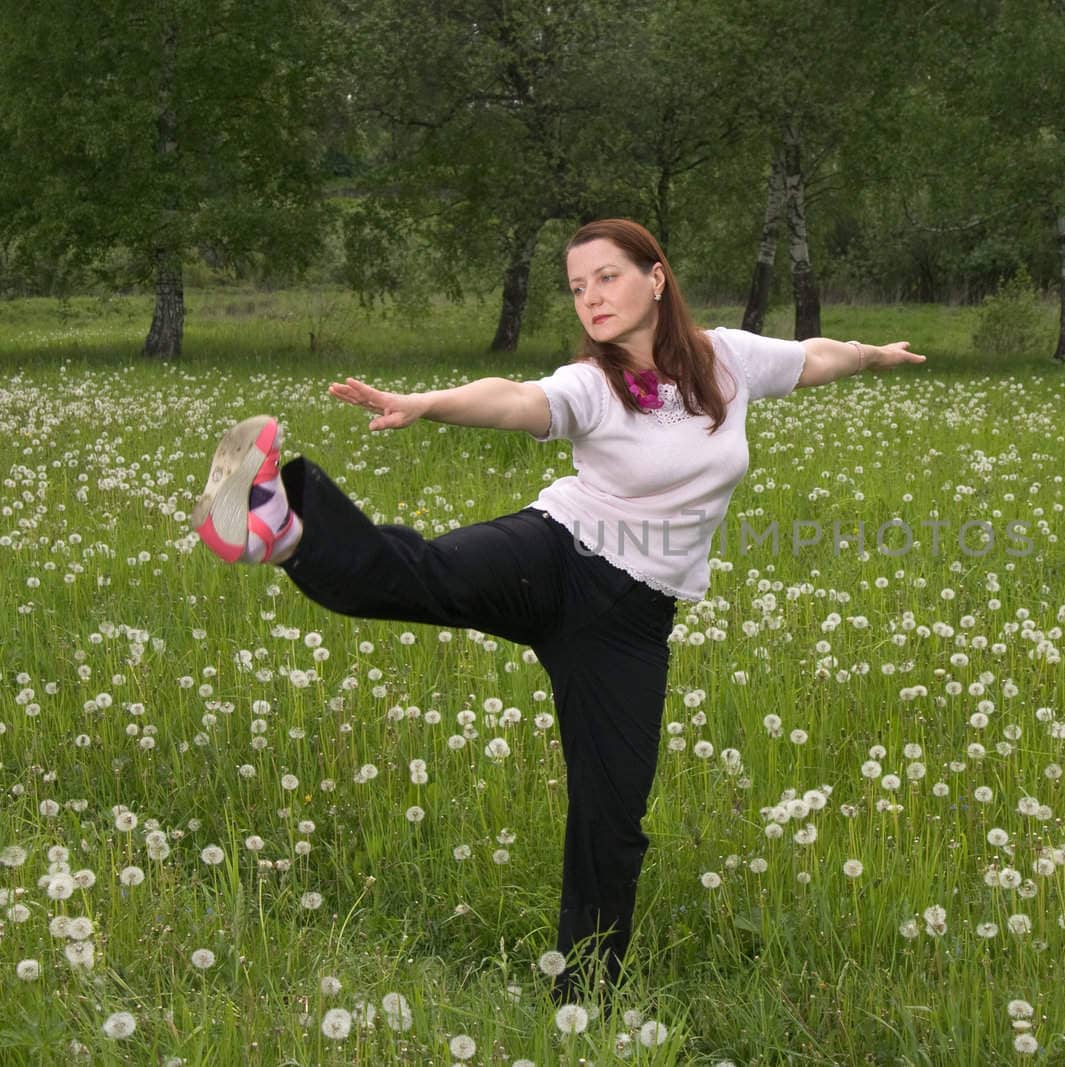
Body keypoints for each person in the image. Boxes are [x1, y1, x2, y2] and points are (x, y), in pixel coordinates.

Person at [189, 217, 926, 1001]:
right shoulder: (592, 383)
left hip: (631, 620)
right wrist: (428, 401)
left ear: (656, 277)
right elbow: (514, 399)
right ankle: (284, 527)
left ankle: (585, 999)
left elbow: (814, 357)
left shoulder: (727, 358)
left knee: (612, 818)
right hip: (555, 553)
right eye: (577, 287)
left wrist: (877, 354)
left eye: (606, 277)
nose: (591, 299)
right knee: (424, 571)